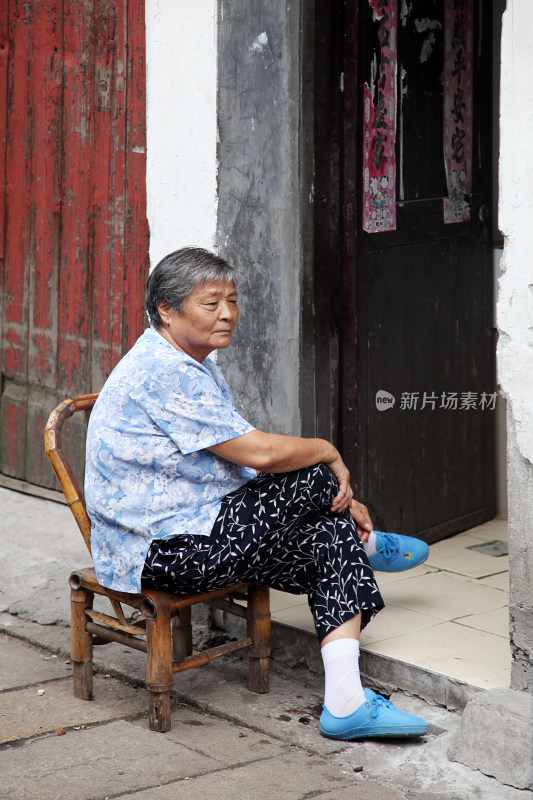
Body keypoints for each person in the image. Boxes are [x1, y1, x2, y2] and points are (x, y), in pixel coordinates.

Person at [85, 247, 429, 740]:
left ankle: (347, 702)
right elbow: (261, 455)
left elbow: (239, 463)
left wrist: (326, 495)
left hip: (202, 526)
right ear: (166, 308)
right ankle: (370, 543)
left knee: (330, 538)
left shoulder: (194, 362)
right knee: (314, 475)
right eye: (211, 303)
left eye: (233, 300)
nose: (227, 313)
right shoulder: (164, 370)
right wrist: (329, 452)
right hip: (160, 548)